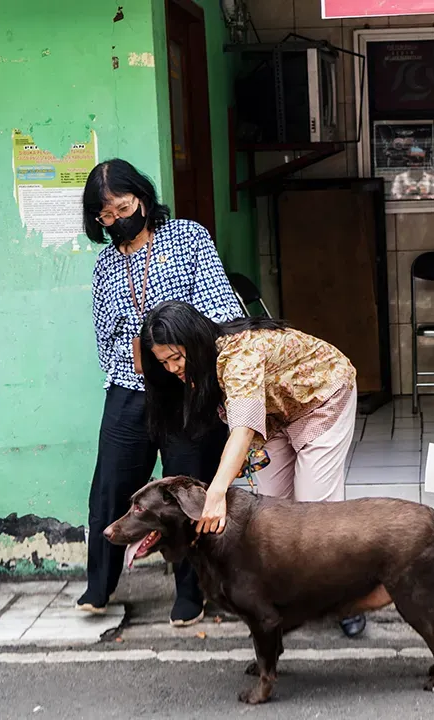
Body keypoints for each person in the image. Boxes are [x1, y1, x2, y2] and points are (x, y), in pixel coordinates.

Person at [139, 301, 369, 638]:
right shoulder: (195, 370)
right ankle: (289, 600)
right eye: (165, 362)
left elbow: (243, 430)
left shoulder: (238, 358)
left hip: (322, 396)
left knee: (315, 512)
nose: (174, 368)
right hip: (274, 414)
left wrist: (215, 494)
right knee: (271, 516)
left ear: (195, 340)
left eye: (177, 357)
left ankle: (346, 600)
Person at [77, 158, 242, 627]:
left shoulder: (188, 238)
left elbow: (220, 310)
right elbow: (103, 333)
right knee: (111, 483)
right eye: (104, 218)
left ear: (143, 200)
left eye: (122, 209)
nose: (115, 222)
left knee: (185, 487)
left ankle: (192, 592)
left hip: (185, 386)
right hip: (130, 387)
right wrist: (129, 356)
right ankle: (100, 584)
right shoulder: (107, 263)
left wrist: (167, 343)